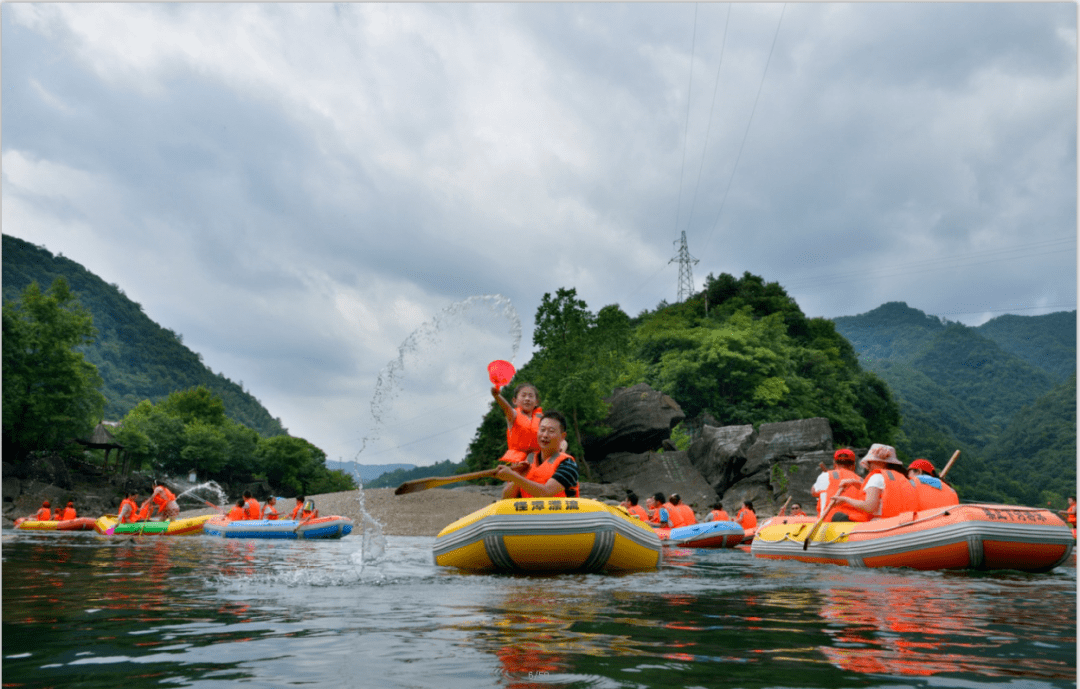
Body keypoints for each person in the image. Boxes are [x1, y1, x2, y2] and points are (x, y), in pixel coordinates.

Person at [494, 410, 579, 499]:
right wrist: (520, 475)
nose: (545, 435)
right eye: (542, 430)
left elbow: (546, 492)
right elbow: (506, 498)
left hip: (558, 508)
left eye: (551, 431)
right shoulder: (528, 461)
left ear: (562, 436)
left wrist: (514, 477)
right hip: (530, 508)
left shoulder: (568, 464)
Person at [834, 444, 919, 520]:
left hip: (880, 524)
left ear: (879, 462)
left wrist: (845, 499)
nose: (868, 466)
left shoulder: (876, 477)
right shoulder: (900, 477)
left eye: (870, 462)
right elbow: (880, 490)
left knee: (837, 517)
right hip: (900, 522)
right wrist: (855, 483)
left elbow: (869, 507)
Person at [492, 382, 544, 467]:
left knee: (563, 443)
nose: (527, 399)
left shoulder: (543, 419)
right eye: (523, 395)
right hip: (518, 463)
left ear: (536, 402)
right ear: (514, 401)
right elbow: (506, 408)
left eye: (531, 396)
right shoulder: (513, 415)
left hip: (539, 459)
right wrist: (497, 396)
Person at [812, 448, 864, 520]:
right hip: (856, 522)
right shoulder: (862, 480)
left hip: (828, 521)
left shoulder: (826, 475)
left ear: (834, 464)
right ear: (854, 465)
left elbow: (813, 492)